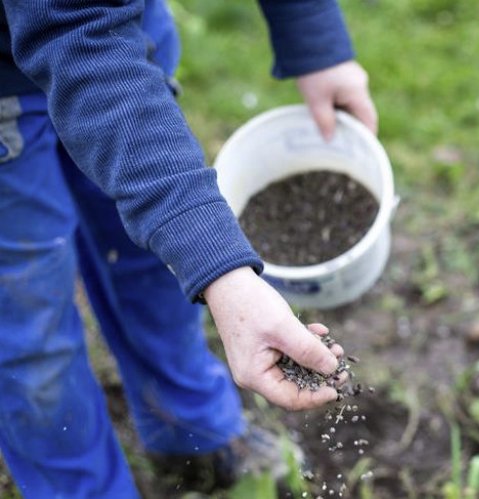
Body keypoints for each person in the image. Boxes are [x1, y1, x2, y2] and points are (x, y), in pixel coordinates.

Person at [0, 0, 378, 496]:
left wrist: (313, 38)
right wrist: (222, 271)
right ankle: (82, 486)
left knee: (155, 261)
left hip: (125, 34)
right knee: (32, 329)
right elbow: (78, 33)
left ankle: (192, 433)